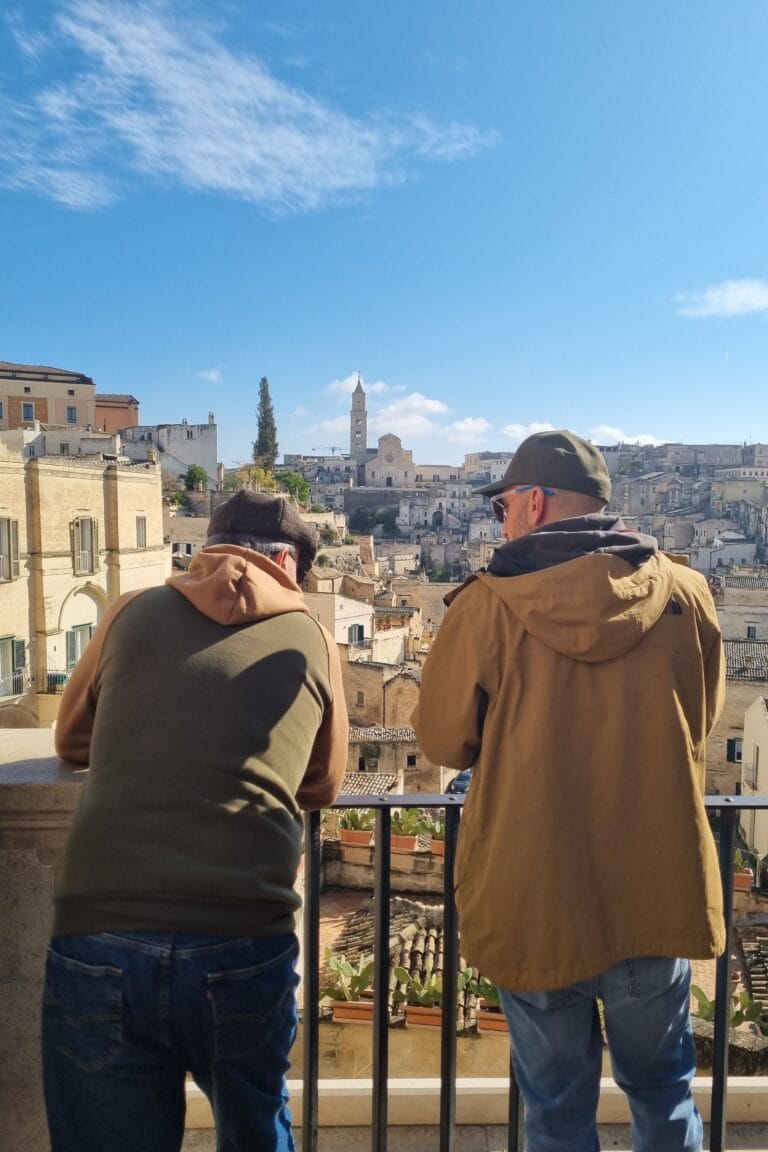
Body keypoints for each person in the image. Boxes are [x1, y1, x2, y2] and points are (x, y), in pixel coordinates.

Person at [412, 430, 725, 1152]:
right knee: (665, 1092)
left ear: (536, 501)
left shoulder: (486, 607)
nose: (501, 522)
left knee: (555, 1109)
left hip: (534, 892)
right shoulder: (688, 593)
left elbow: (441, 743)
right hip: (654, 886)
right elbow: (702, 718)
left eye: (503, 509)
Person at [43, 489, 348, 1152]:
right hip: (243, 931)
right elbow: (322, 782)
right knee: (255, 1132)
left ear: (208, 549)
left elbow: (70, 741)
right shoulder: (316, 640)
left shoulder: (130, 611)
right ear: (291, 567)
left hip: (103, 924)